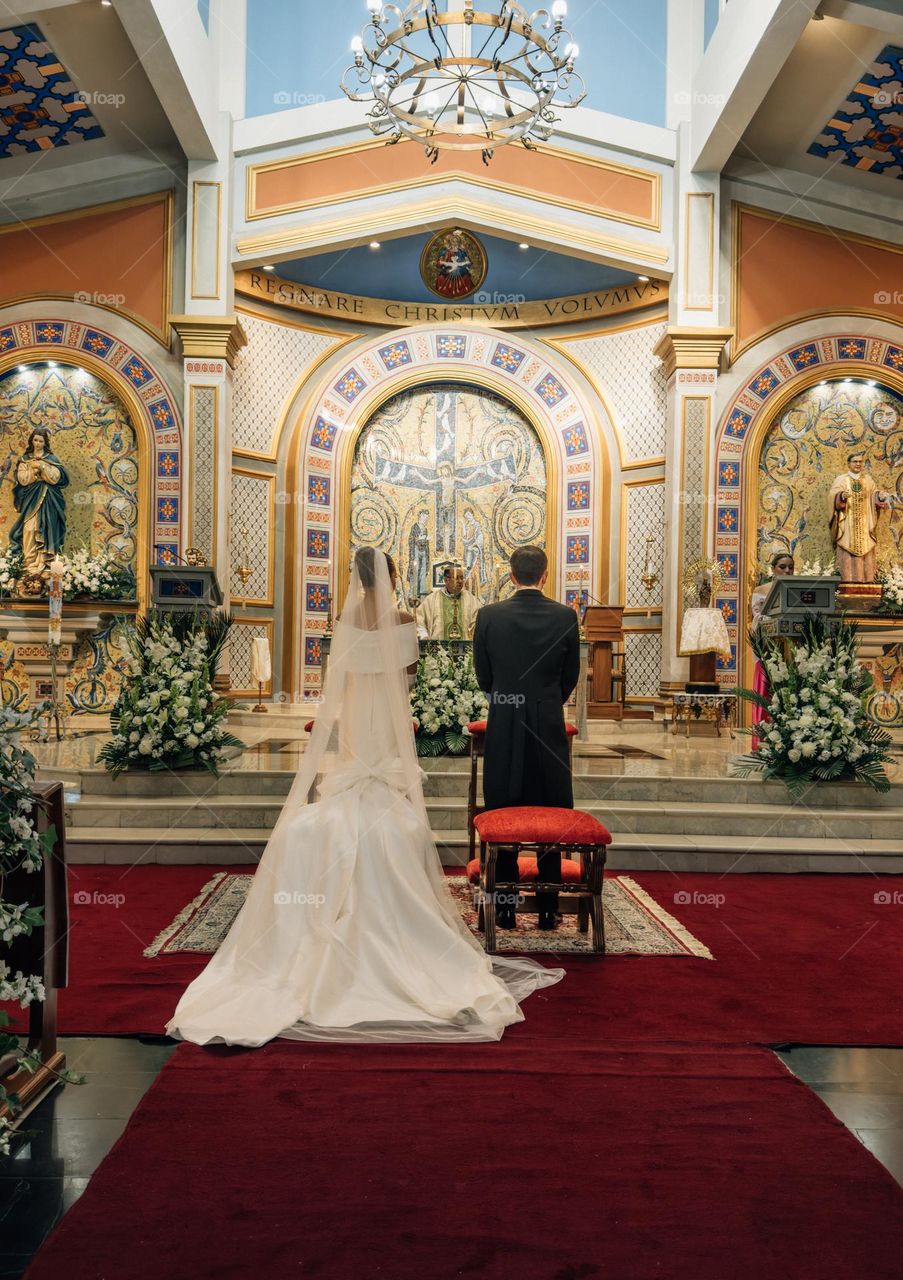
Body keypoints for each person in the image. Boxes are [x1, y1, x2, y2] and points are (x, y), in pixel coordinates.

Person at [167, 548, 562, 1047]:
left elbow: (341, 687)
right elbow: (408, 685)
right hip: (387, 742)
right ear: (395, 576)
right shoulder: (404, 617)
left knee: (313, 823)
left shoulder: (344, 622)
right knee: (399, 827)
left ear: (354, 577)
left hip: (356, 741)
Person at [473, 545, 581, 931]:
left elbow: (482, 674)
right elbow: (571, 675)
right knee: (551, 808)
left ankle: (504, 906)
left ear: (511, 575)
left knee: (503, 809)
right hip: (549, 723)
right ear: (545, 574)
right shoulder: (565, 616)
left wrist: (505, 699)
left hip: (504, 721)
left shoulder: (488, 616)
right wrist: (548, 700)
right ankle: (549, 907)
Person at [749, 551, 795, 750]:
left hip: (791, 649)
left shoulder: (797, 589)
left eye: (790, 567)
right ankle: (762, 740)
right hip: (768, 647)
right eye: (782, 567)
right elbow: (758, 617)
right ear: (773, 569)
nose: (787, 571)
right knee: (766, 690)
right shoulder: (761, 589)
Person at [9, 428, 69, 577]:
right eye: (35, 440)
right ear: (31, 441)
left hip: (49, 499)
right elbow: (22, 479)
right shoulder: (25, 459)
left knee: (48, 527)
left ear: (45, 442)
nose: (37, 443)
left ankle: (45, 563)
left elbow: (56, 478)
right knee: (29, 529)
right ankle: (29, 563)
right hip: (30, 499)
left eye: (41, 441)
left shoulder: (52, 459)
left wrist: (42, 466)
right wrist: (35, 474)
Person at [828, 451, 888, 583]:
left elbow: (874, 494)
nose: (858, 464)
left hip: (865, 522)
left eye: (860, 461)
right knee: (847, 548)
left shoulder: (868, 480)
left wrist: (879, 497)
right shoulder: (841, 479)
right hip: (847, 523)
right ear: (849, 464)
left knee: (866, 548)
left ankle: (867, 581)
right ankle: (846, 581)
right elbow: (833, 494)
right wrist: (841, 496)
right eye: (855, 461)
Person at [418, 562, 481, 640]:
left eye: (462, 578)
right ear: (446, 580)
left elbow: (478, 622)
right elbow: (420, 621)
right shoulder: (431, 600)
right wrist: (424, 636)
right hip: (437, 648)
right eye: (456, 578)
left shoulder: (471, 600)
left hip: (465, 649)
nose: (460, 581)